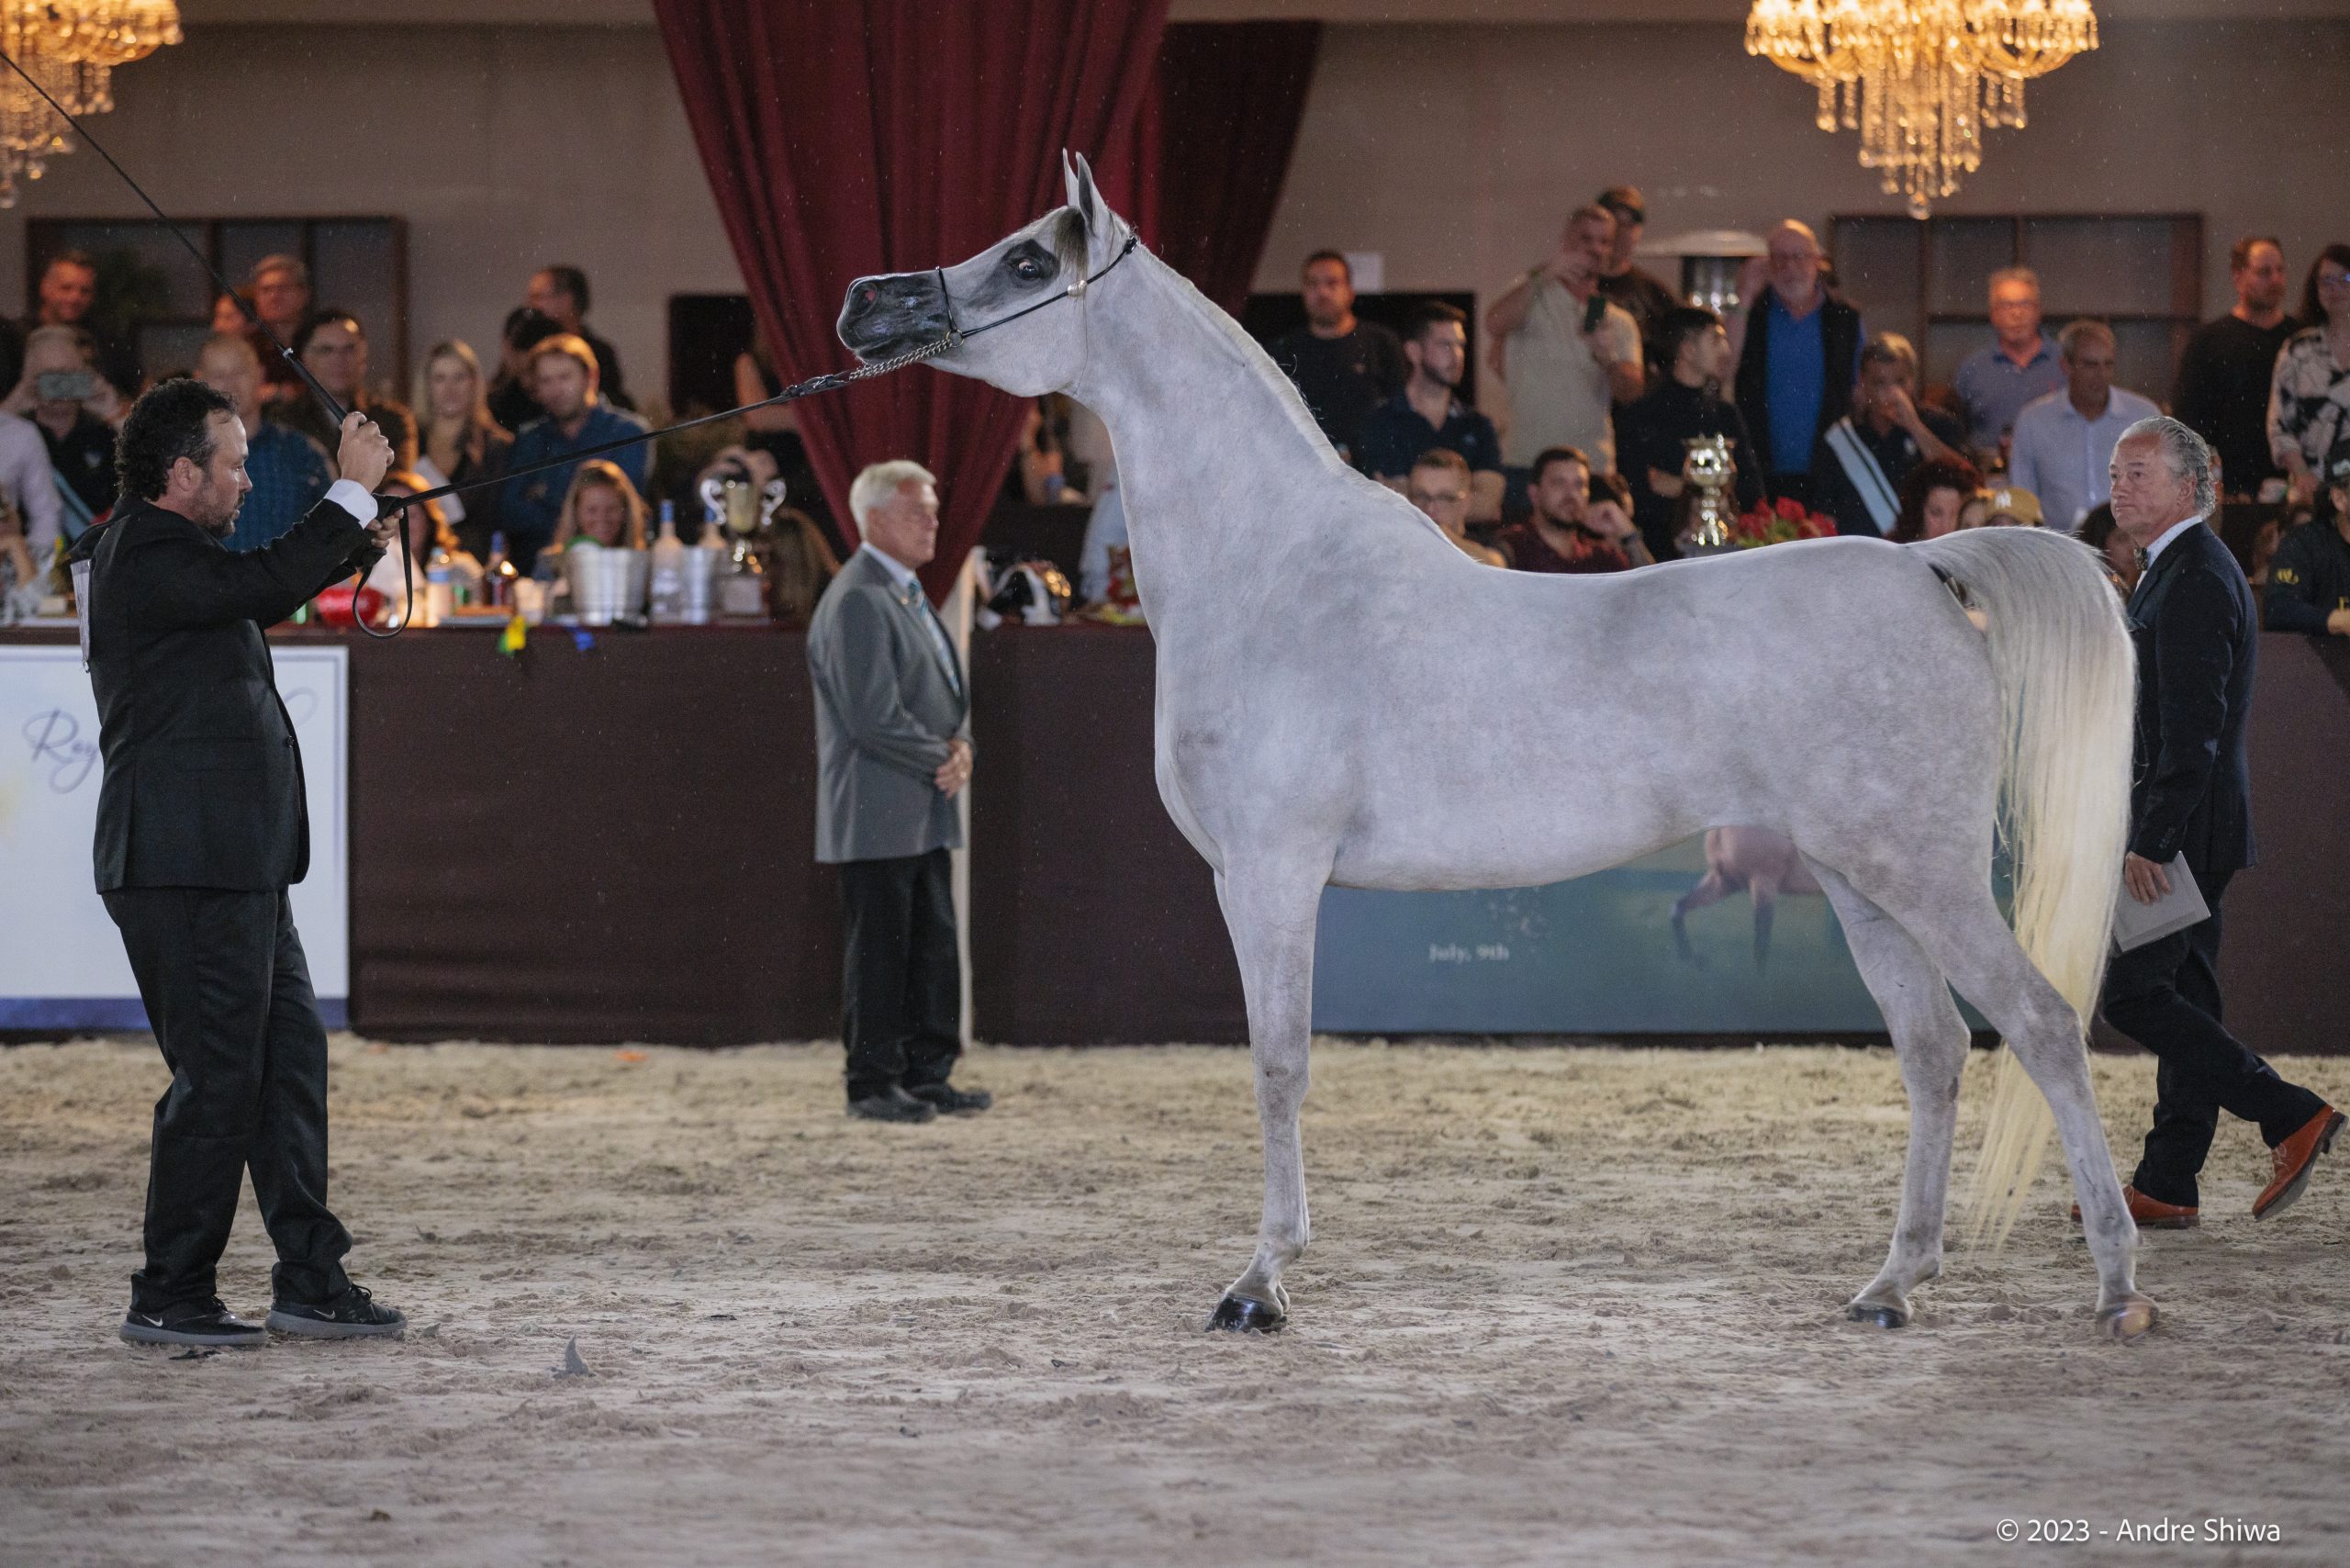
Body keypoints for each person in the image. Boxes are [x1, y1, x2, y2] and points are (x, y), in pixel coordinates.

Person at [73, 382, 409, 1347]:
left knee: (288, 1066)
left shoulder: (165, 553)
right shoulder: (141, 550)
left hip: (230, 860)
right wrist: (343, 500)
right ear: (183, 474)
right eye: (234, 461)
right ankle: (170, 1292)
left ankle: (310, 1277)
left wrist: (346, 537)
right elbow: (257, 584)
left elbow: (254, 579)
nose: (247, 476)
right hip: (185, 860)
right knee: (220, 1079)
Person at [2094, 416, 2342, 1228]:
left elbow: (2192, 732)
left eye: (2138, 472)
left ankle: (2288, 1113)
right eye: (2116, 470)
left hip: (2184, 829)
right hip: (2196, 821)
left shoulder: (2194, 574)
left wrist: (2151, 840)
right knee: (2187, 998)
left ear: (2191, 489)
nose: (2118, 484)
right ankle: (2168, 1181)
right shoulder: (2181, 567)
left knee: (2133, 996)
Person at [807, 460, 988, 1124]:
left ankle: (925, 1072)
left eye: (933, 509)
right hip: (878, 807)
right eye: (918, 511)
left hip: (921, 803)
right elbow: (869, 715)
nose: (933, 520)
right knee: (881, 950)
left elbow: (946, 690)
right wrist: (943, 755)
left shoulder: (905, 592)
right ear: (876, 520)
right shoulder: (858, 597)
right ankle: (873, 1080)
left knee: (931, 944)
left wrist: (961, 745)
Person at [1488, 205, 1644, 478]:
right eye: (1585, 239)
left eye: (1604, 241)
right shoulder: (1532, 297)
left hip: (1591, 466)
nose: (1595, 249)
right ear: (1566, 241)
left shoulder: (1617, 320)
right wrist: (1545, 274)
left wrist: (1608, 359)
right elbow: (1494, 322)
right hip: (1527, 463)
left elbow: (1631, 393)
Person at [1729, 220, 1863, 507]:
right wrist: (1744, 296)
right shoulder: (1753, 315)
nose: (1789, 267)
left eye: (1799, 257)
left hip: (1828, 466)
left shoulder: (1844, 319)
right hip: (1759, 465)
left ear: (1817, 262)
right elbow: (1725, 366)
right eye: (1779, 258)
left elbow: (1859, 391)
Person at [1617, 306, 1764, 561]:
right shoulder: (1642, 414)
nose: (1726, 350)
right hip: (1659, 557)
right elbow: (1636, 494)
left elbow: (1752, 490)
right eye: (1716, 340)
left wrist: (1682, 487)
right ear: (1687, 349)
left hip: (1723, 553)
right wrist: (1712, 491)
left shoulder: (1726, 415)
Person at [499, 333, 652, 573]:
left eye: (564, 377)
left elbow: (621, 511)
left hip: (612, 570)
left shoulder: (628, 432)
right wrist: (581, 510)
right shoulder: (529, 439)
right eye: (546, 381)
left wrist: (544, 497)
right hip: (540, 572)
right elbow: (511, 511)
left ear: (591, 377)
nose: (556, 390)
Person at [2007, 319, 2162, 532]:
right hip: (2060, 549)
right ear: (2066, 366)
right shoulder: (2034, 421)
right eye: (2090, 365)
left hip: (2130, 548)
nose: (2101, 375)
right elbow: (2021, 502)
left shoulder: (2144, 417)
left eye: (2108, 364)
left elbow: (2162, 490)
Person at [1357, 302, 1504, 521]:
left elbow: (1488, 505)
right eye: (1445, 345)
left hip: (1466, 550)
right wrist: (1458, 500)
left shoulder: (1478, 424)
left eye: (1460, 345)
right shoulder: (1381, 421)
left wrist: (1413, 496)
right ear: (1413, 352)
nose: (1457, 356)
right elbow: (1384, 502)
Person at [2174, 237, 2296, 498]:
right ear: (2238, 276)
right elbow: (2189, 419)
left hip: (2292, 484)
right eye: (2264, 272)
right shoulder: (2209, 341)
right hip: (2230, 489)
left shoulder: (2299, 339)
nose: (2275, 280)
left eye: (2280, 271)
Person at [1810, 333, 1963, 538]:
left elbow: (1964, 481)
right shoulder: (1839, 439)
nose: (1891, 393)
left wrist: (1915, 427)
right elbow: (1824, 514)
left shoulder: (1939, 424)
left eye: (1900, 382)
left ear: (1913, 380)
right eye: (1880, 383)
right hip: (1861, 557)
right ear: (1863, 383)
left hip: (1925, 552)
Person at [195, 331, 332, 554]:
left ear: (260, 375)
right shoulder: (183, 459)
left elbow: (336, 528)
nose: (230, 385)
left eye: (239, 372)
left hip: (289, 585)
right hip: (206, 585)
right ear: (199, 381)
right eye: (219, 375)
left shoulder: (302, 452)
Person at [1268, 252, 1406, 465]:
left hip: (1372, 473)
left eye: (1332, 283)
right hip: (1304, 470)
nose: (1322, 292)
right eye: (1313, 284)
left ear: (1350, 291)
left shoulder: (1381, 343)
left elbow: (1401, 411)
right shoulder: (1284, 349)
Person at [268, 311, 415, 477]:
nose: (339, 359)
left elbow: (396, 487)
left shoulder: (392, 419)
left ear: (364, 356)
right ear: (305, 359)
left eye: (350, 349)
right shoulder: (283, 419)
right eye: (326, 350)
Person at [6, 325, 121, 532]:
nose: (60, 386)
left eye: (69, 375)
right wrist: (16, 401)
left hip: (95, 554)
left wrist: (105, 403)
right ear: (30, 380)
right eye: (49, 376)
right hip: (29, 555)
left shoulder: (105, 436)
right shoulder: (15, 437)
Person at [1950, 267, 2064, 464]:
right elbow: (1955, 433)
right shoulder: (1972, 369)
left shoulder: (2065, 363)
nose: (2016, 313)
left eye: (2024, 304)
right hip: (1990, 478)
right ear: (1993, 314)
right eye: (2006, 306)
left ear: (2038, 311)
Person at [411, 340, 512, 560]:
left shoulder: (496, 446)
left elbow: (495, 521)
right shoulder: (408, 441)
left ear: (474, 383)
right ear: (426, 385)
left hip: (472, 565)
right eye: (440, 378)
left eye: (459, 378)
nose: (450, 389)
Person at [2267, 244, 2350, 510]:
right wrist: (2302, 474)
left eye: (2345, 278)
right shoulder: (2298, 350)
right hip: (2311, 492)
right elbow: (2279, 424)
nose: (2335, 288)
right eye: (2326, 280)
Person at [1496, 447, 1648, 574]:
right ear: (1534, 493)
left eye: (1579, 485)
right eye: (1559, 483)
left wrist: (1629, 535)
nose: (1571, 494)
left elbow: (1656, 594)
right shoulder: (1513, 546)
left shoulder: (1601, 556)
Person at [2263, 437, 2350, 636]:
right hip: (2322, 664)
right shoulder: (2304, 544)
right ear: (2339, 498)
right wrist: (2340, 620)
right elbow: (2279, 610)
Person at [1593, 185, 1679, 367]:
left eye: (1630, 225)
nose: (1621, 233)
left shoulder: (1653, 292)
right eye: (1615, 222)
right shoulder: (1577, 285)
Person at [34, 250, 140, 396]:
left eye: (85, 291)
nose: (75, 298)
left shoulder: (106, 337)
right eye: (66, 288)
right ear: (45, 287)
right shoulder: (17, 336)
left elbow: (141, 384)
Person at [527, 264, 632, 410]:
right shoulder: (527, 347)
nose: (530, 306)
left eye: (538, 297)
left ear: (566, 300)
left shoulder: (600, 353)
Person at [1403, 447, 1505, 567]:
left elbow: (1495, 569)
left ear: (1466, 502)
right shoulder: (1396, 544)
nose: (1430, 508)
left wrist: (1438, 533)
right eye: (1420, 495)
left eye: (1444, 497)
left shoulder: (1491, 545)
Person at [547, 458, 649, 554]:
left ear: (626, 511)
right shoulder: (549, 564)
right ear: (576, 512)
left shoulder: (646, 563)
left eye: (611, 509)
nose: (602, 518)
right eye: (592, 510)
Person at [1887, 455, 1981, 543]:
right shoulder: (1892, 553)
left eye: (1956, 515)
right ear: (1917, 513)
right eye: (1936, 513)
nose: (1946, 528)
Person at [2078, 501, 2138, 597]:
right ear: (2099, 545)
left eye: (2138, 536)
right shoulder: (2091, 590)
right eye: (2122, 539)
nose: (2134, 547)